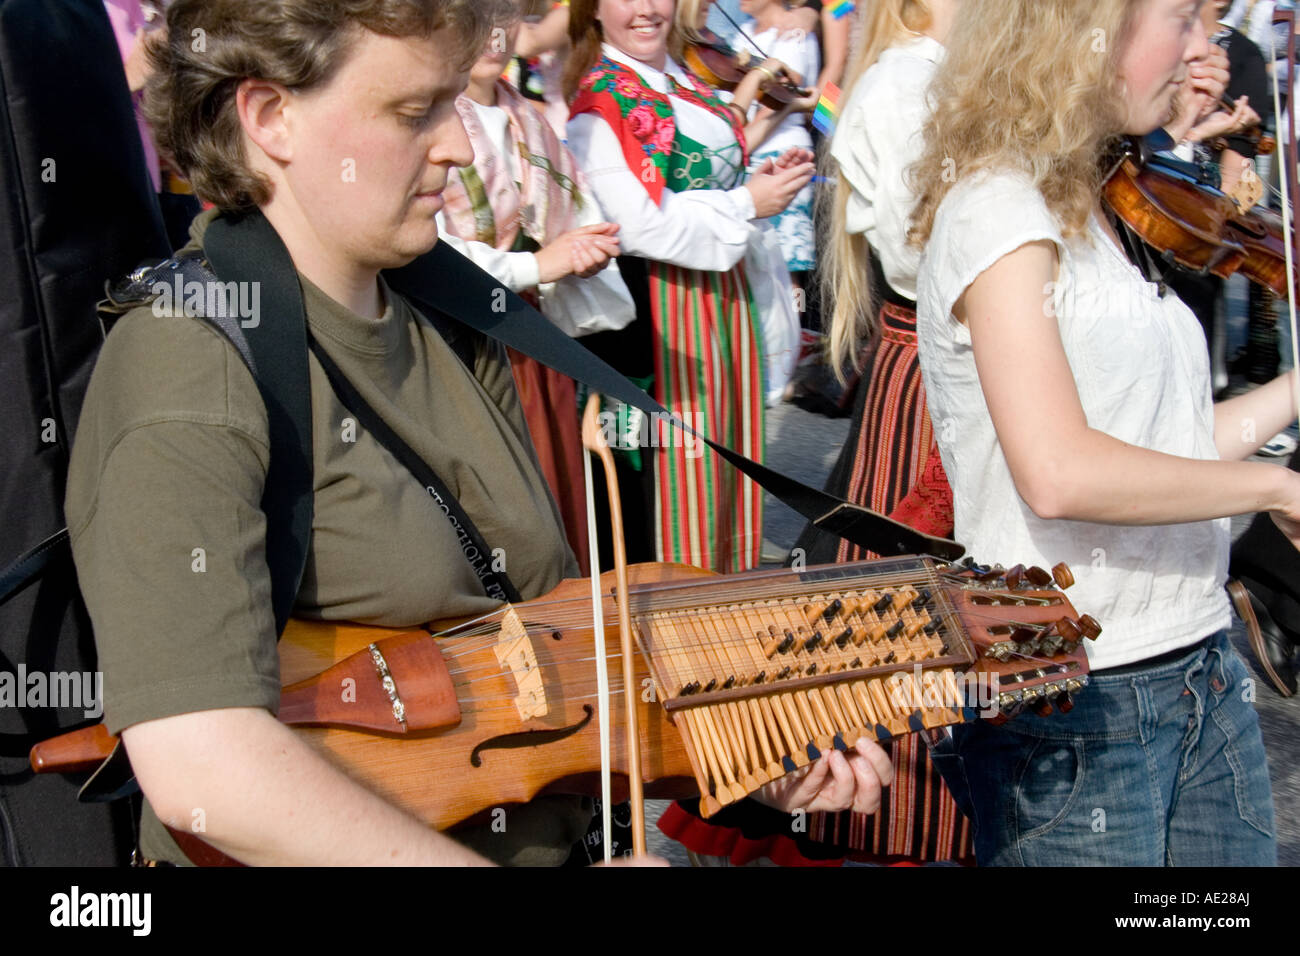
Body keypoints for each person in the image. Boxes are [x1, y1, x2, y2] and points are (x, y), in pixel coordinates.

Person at [65, 0, 886, 867]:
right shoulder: (188, 358)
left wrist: (736, 761)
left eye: (454, 101)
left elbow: (537, 675)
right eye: (414, 111)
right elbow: (209, 771)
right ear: (272, 118)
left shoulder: (436, 298)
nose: (458, 146)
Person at [909, 0, 1294, 865]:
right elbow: (1060, 471)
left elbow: (1173, 440)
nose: (1205, 49)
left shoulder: (1102, 209)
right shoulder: (999, 211)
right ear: (1085, 29)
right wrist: (1276, 487)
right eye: (1184, 18)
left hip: (1195, 660)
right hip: (1080, 689)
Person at [664, 0, 973, 867]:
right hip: (946, 369)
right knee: (893, 615)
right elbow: (950, 249)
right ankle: (871, 817)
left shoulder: (946, 75)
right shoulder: (905, 81)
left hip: (966, 367)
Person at [563, 0, 815, 573]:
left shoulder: (677, 80)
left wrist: (757, 182)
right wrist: (748, 202)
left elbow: (696, 183)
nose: (647, 8)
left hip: (717, 302)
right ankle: (666, 627)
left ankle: (719, 603)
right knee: (665, 475)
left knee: (723, 463)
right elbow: (640, 226)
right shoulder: (600, 106)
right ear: (594, 9)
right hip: (658, 317)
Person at [436, 1, 636, 573]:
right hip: (462, 334)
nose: (494, 33)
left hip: (533, 339)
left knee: (551, 485)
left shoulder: (532, 120)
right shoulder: (427, 117)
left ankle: (562, 628)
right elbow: (426, 244)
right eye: (475, 15)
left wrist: (586, 251)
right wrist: (536, 266)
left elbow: (575, 213)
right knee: (491, 498)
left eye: (505, 14)